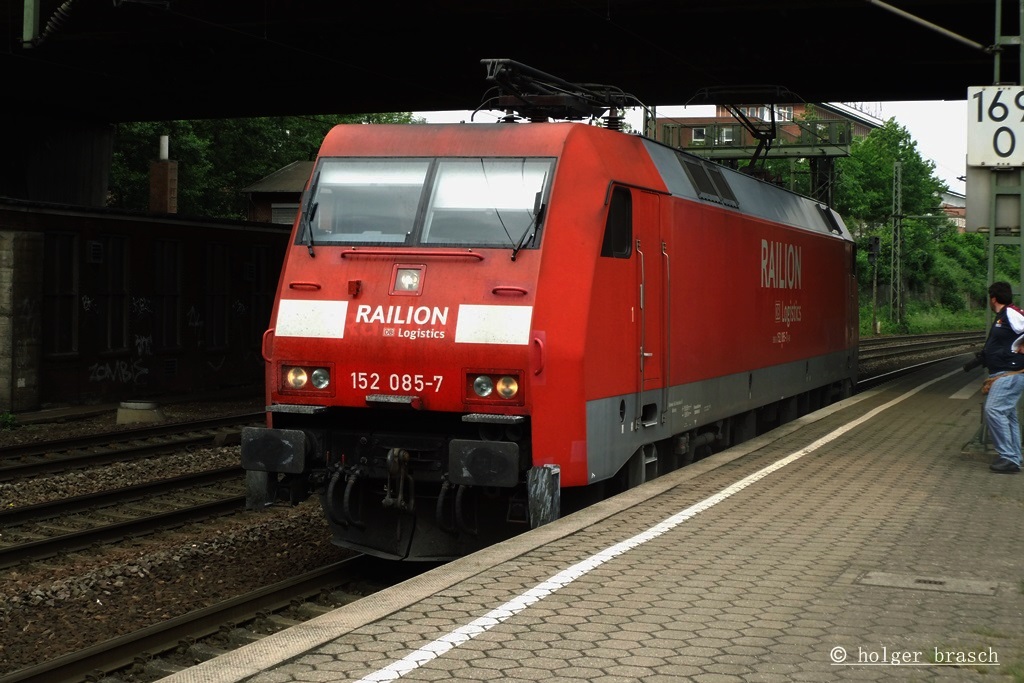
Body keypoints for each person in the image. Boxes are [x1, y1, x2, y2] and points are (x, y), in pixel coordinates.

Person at [981, 281, 1024, 474]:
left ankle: (1008, 457)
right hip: (1003, 373)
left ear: (993, 298)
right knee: (1008, 415)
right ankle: (1015, 455)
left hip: (1010, 372)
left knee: (994, 410)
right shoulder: (1004, 315)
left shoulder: (1011, 313)